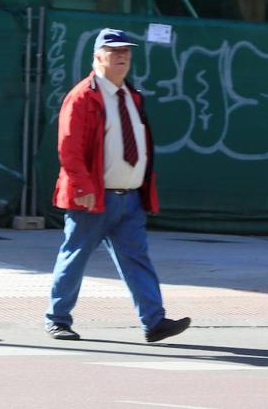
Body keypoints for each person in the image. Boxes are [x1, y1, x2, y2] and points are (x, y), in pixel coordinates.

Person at [45, 28, 190, 342]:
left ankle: (154, 322)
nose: (122, 56)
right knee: (75, 257)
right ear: (98, 57)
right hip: (92, 199)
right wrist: (82, 188)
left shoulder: (131, 95)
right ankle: (57, 319)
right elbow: (69, 148)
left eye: (126, 51)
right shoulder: (83, 96)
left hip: (129, 199)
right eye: (114, 51)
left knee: (137, 259)